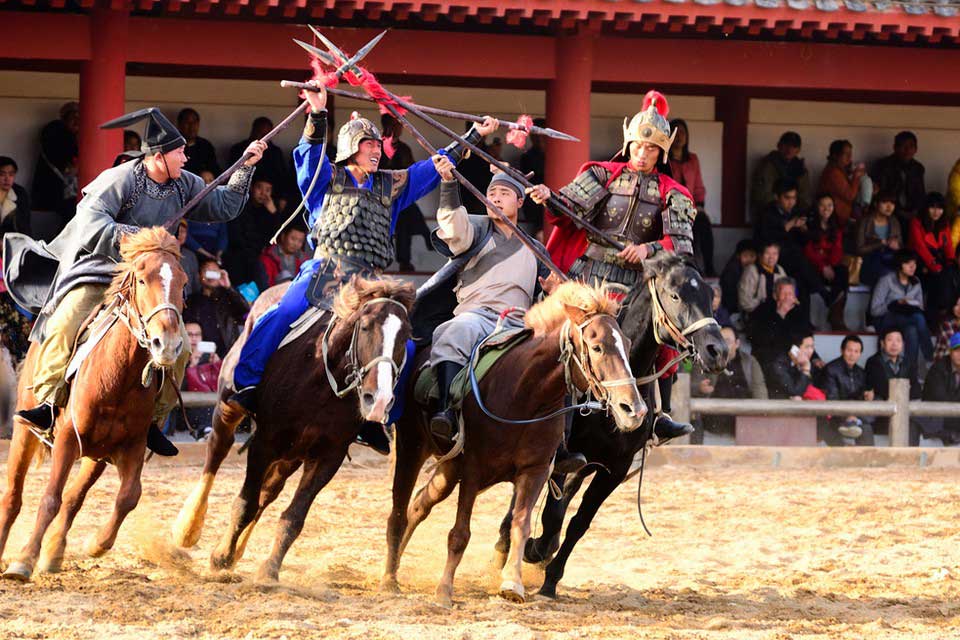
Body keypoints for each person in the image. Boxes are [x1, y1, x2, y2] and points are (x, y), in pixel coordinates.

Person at [228, 83, 494, 425]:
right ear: (351, 147)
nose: (376, 150)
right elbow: (308, 157)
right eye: (369, 144)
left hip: (370, 281)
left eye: (378, 145)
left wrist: (474, 135)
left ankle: (384, 415)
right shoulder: (326, 179)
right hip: (326, 270)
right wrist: (318, 113)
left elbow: (433, 167)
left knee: (405, 343)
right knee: (283, 313)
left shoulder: (390, 185)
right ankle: (248, 384)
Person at [5, 107, 265, 455]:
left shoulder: (184, 182)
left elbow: (223, 207)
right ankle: (48, 403)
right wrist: (138, 238)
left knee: (180, 347)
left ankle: (154, 419)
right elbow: (90, 221)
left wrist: (246, 168)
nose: (186, 157)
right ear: (158, 156)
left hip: (150, 279)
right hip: (102, 268)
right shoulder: (120, 179)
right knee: (65, 322)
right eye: (179, 152)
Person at [531, 89, 699, 442]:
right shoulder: (601, 174)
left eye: (651, 148)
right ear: (628, 143)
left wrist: (648, 249)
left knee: (656, 335)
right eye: (638, 146)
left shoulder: (674, 192)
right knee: (562, 339)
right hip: (587, 278)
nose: (643, 153)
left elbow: (682, 245)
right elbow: (568, 208)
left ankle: (659, 415)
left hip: (636, 284)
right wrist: (549, 198)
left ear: (662, 152)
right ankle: (545, 414)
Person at [425, 158, 553, 449]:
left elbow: (546, 299)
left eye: (504, 194)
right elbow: (454, 227)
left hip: (520, 325)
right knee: (457, 331)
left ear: (520, 201)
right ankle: (445, 409)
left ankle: (559, 442)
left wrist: (550, 292)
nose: (495, 198)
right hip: (478, 315)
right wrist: (449, 184)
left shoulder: (536, 249)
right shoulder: (477, 229)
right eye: (491, 194)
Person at [692, 326, 766, 435]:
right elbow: (691, 386)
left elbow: (760, 390)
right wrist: (700, 388)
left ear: (737, 343)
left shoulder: (749, 362)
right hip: (713, 425)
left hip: (745, 424)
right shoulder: (705, 360)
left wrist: (762, 415)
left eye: (727, 341)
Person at [381, 114, 431, 272]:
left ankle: (406, 258)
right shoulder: (376, 146)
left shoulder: (403, 149)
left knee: (407, 214)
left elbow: (411, 171)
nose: (399, 128)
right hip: (378, 194)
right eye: (396, 124)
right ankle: (426, 235)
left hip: (399, 193)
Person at [869, 250, 934, 365]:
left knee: (912, 331)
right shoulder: (887, 280)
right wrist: (894, 304)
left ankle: (910, 371)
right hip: (888, 318)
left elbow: (920, 306)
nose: (912, 267)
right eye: (908, 263)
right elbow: (874, 310)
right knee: (918, 318)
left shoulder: (916, 281)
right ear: (899, 264)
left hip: (908, 318)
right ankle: (930, 358)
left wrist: (911, 304)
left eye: (914, 263)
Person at [865, 328, 923, 445]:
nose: (894, 344)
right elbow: (879, 389)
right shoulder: (873, 362)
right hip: (883, 414)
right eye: (890, 340)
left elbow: (916, 389)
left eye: (898, 340)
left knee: (913, 424)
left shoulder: (909, 362)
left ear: (903, 344)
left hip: (905, 411)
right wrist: (903, 391)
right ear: (882, 343)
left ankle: (910, 457)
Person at [183, 258, 250, 357]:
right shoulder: (191, 301)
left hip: (227, 354)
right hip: (200, 356)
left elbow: (245, 312)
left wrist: (228, 287)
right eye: (207, 272)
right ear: (199, 276)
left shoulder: (229, 298)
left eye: (214, 272)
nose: (211, 276)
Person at [909, 192, 957, 324]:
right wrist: (935, 266)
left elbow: (948, 247)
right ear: (926, 208)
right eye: (933, 207)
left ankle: (944, 312)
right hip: (919, 260)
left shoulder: (944, 224)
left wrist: (952, 264)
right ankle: (934, 316)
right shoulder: (917, 222)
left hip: (937, 260)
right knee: (937, 277)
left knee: (951, 273)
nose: (936, 212)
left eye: (940, 208)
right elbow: (920, 247)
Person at [222, 178, 281, 286]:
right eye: (259, 188)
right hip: (237, 255)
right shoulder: (241, 206)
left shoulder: (269, 211)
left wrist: (273, 213)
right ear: (251, 188)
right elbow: (235, 235)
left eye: (267, 190)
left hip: (256, 257)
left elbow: (275, 237)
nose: (263, 193)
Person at [804, 193, 849, 330]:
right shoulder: (808, 226)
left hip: (830, 268)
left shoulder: (836, 227)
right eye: (822, 205)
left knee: (843, 271)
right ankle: (809, 319)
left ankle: (836, 317)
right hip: (815, 268)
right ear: (816, 207)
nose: (826, 209)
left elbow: (837, 250)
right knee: (804, 271)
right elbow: (809, 252)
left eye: (829, 205)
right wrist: (823, 266)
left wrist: (829, 265)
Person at [31, 101, 79, 225]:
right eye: (73, 117)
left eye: (80, 118)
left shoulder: (81, 134)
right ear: (64, 119)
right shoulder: (54, 132)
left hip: (72, 193)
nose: (77, 121)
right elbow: (63, 160)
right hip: (54, 189)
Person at [821, 335, 875, 445]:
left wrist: (867, 396)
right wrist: (847, 415)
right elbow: (832, 399)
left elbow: (860, 397)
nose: (852, 355)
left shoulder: (861, 372)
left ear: (860, 354)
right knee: (864, 426)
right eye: (849, 350)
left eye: (856, 351)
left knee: (866, 426)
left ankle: (867, 456)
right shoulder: (831, 369)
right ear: (842, 350)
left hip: (855, 415)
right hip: (836, 415)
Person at [229, 117, 290, 209]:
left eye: (267, 134)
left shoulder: (275, 152)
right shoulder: (238, 149)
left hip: (270, 195)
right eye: (260, 133)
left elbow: (282, 176)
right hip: (245, 193)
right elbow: (233, 175)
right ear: (253, 131)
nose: (263, 137)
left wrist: (282, 197)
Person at [747, 277, 810, 366]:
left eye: (790, 294)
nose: (787, 297)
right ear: (775, 295)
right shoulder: (762, 311)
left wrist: (815, 358)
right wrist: (780, 313)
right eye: (784, 293)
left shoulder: (799, 313)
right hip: (769, 360)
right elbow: (759, 338)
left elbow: (807, 338)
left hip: (794, 358)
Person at [871, 131, 925, 227]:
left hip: (913, 214)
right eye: (903, 146)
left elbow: (920, 194)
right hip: (890, 212)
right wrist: (898, 211)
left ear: (916, 149)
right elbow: (881, 195)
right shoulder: (883, 166)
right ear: (895, 148)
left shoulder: (918, 168)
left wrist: (915, 211)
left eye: (911, 146)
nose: (907, 150)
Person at [751, 131, 812, 216]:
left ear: (798, 150)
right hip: (770, 215)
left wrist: (800, 215)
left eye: (794, 146)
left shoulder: (800, 168)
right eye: (786, 145)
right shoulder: (768, 165)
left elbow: (805, 198)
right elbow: (764, 197)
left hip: (794, 214)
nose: (789, 149)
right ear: (779, 146)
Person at [818, 139, 869, 229]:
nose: (850, 157)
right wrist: (856, 176)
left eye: (850, 154)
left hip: (842, 216)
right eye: (845, 154)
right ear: (835, 155)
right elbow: (850, 195)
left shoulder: (839, 169)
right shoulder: (833, 172)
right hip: (837, 218)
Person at [920, 331, 960, 445]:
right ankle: (948, 434)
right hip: (937, 415)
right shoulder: (938, 368)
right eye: (957, 350)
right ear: (950, 352)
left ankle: (950, 434)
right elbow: (941, 399)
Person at [856, 191, 903, 287]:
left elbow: (900, 245)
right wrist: (880, 243)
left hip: (890, 259)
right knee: (887, 275)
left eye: (892, 203)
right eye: (885, 202)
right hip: (870, 262)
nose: (889, 206)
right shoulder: (865, 221)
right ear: (876, 204)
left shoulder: (894, 221)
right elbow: (859, 249)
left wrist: (897, 246)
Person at [738, 241, 787, 314]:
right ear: (760, 255)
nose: (771, 257)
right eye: (767, 253)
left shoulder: (780, 270)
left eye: (775, 253)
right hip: (756, 313)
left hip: (777, 312)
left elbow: (787, 291)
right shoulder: (751, 271)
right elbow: (745, 301)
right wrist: (764, 306)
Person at [765, 332, 817, 400]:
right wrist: (805, 369)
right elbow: (795, 392)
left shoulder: (807, 363)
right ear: (794, 349)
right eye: (807, 347)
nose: (810, 351)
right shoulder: (778, 365)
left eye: (812, 347)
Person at [258, 222, 308, 290]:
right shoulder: (268, 258)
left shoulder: (304, 261)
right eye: (293, 239)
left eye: (300, 241)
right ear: (283, 236)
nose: (296, 244)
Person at [519, 118, 547, 237]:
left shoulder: (556, 154)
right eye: (535, 135)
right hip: (535, 202)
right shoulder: (527, 157)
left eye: (541, 135)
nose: (539, 138)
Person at [177, 107, 222, 175]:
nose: (191, 126)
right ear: (179, 125)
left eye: (194, 122)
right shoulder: (174, 146)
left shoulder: (205, 145)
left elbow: (215, 169)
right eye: (187, 122)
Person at [720, 239, 756, 314]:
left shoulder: (755, 269)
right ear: (738, 256)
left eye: (752, 256)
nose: (749, 260)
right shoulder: (731, 271)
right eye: (745, 256)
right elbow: (730, 298)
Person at [0, 156, 31, 238]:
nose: (7, 179)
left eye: (11, 174)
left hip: (11, 241)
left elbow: (25, 226)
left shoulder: (20, 193)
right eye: (2, 174)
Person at [175, 218, 201, 298]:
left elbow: (195, 284)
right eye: (177, 231)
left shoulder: (190, 256)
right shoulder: (162, 255)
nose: (179, 234)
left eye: (183, 231)